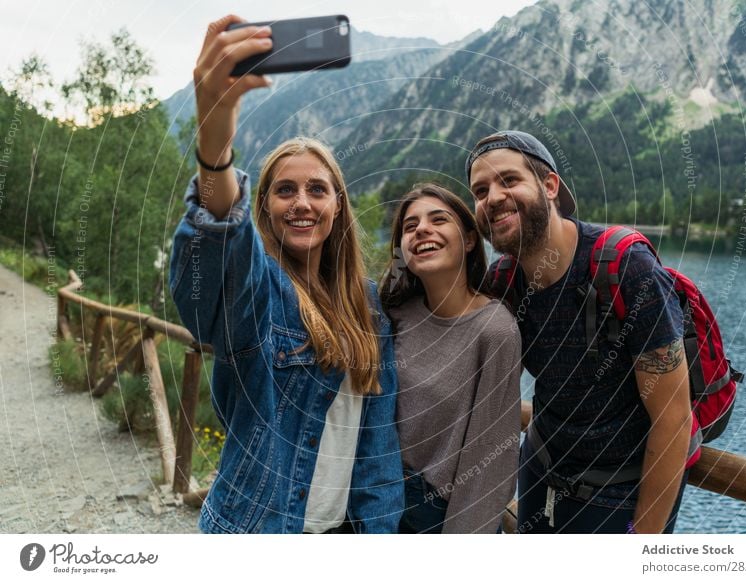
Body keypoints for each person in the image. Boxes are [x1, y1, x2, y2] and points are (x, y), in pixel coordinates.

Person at [169, 15, 403, 534]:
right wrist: (215, 147)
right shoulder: (262, 289)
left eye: (317, 190)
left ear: (338, 207)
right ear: (264, 206)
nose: (302, 203)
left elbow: (378, 452)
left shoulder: (368, 308)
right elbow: (219, 255)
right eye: (285, 190)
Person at [465, 131, 693, 534]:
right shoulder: (504, 281)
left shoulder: (625, 268)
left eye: (509, 180)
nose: (493, 198)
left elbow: (674, 419)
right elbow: (483, 389)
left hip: (619, 491)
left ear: (550, 185)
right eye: (480, 191)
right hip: (539, 471)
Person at [380, 183, 521, 533]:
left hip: (433, 513)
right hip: (372, 499)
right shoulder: (392, 314)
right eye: (410, 227)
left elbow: (489, 462)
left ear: (470, 240)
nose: (422, 230)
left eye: (438, 219)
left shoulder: (495, 330)